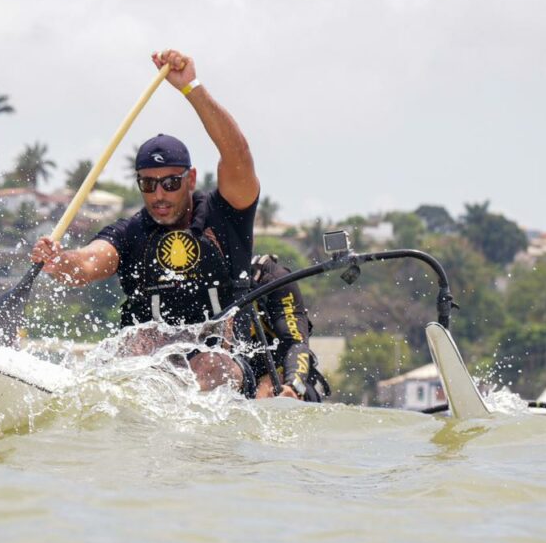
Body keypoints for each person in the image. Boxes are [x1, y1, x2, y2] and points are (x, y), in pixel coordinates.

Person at [31, 49, 260, 395]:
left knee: (211, 367)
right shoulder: (130, 233)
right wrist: (58, 260)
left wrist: (191, 88)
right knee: (122, 355)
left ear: (191, 179)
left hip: (222, 362)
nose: (159, 195)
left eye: (170, 183)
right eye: (148, 184)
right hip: (150, 365)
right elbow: (88, 263)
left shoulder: (224, 214)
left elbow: (237, 154)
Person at [246, 254, 330, 402]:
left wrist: (293, 386)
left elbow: (295, 343)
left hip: (281, 378)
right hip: (235, 377)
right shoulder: (203, 280)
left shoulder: (273, 278)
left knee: (270, 386)